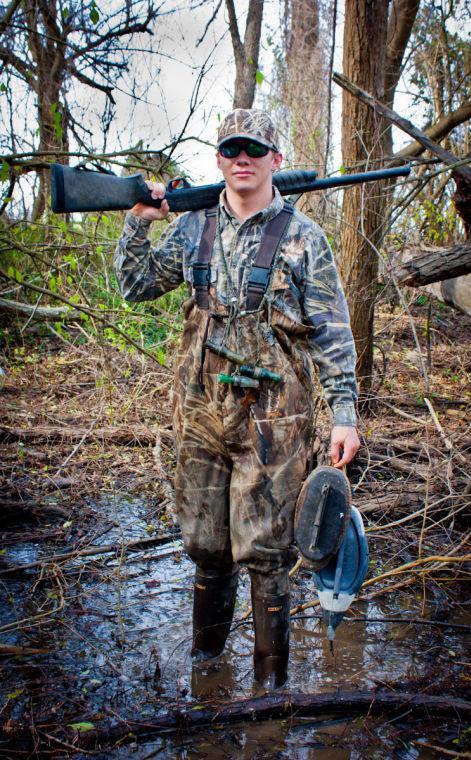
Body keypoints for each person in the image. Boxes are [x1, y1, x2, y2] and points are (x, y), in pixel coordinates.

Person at [114, 108, 359, 690]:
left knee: (267, 553)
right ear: (219, 159)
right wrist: (138, 221)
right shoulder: (192, 226)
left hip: (275, 420)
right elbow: (135, 286)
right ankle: (208, 678)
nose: (240, 158)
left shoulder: (305, 238)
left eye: (253, 148)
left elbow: (332, 333)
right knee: (205, 546)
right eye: (230, 149)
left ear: (276, 159)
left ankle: (269, 697)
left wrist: (345, 416)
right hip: (198, 415)